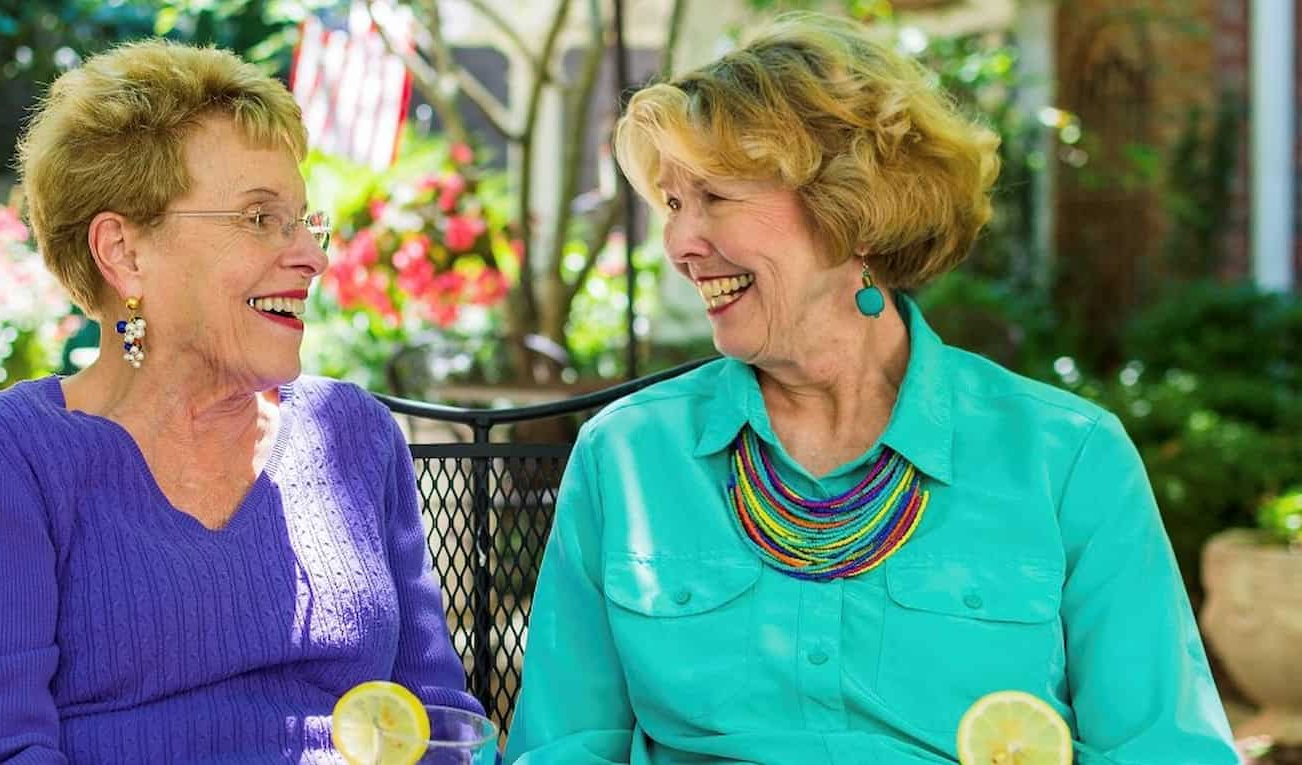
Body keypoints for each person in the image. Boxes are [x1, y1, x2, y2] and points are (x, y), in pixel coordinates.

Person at [505, 12, 1236, 765]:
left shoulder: (1068, 459)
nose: (680, 243)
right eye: (673, 203)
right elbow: (564, 745)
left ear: (848, 210)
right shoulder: (625, 456)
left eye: (715, 197)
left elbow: (1165, 748)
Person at [0, 39, 479, 764]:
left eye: (304, 220)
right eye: (260, 217)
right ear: (124, 251)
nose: (310, 255)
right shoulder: (14, 456)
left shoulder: (354, 434)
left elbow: (436, 718)